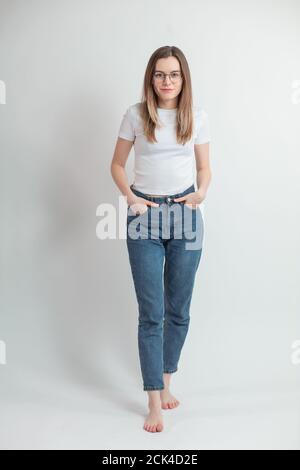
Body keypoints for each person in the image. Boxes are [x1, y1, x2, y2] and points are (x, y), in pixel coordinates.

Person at [111, 45, 211, 433]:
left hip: (186, 215)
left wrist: (202, 192)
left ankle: (167, 380)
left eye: (173, 74)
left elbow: (205, 168)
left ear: (183, 78)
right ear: (150, 78)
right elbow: (117, 163)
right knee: (151, 313)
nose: (166, 81)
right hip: (145, 218)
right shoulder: (135, 115)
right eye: (159, 74)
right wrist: (131, 198)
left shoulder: (197, 118)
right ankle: (154, 401)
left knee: (179, 310)